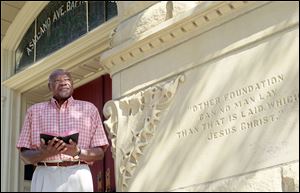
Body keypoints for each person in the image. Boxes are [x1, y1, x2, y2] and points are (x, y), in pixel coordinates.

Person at [16, 69, 109, 192]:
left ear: (72, 85)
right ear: (50, 86)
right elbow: (24, 155)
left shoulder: (89, 109)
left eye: (67, 80)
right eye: (58, 81)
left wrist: (77, 151)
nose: (64, 83)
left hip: (78, 174)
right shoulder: (34, 111)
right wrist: (45, 153)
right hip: (45, 174)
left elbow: (100, 153)